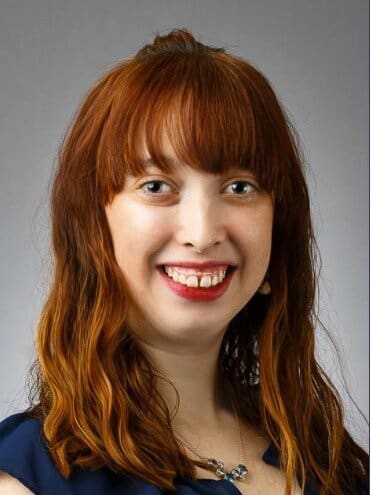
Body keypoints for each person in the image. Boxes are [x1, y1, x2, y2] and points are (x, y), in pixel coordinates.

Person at [0, 28, 368, 495]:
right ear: (93, 226)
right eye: (156, 186)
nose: (202, 234)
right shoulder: (32, 479)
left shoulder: (329, 461)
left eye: (240, 187)